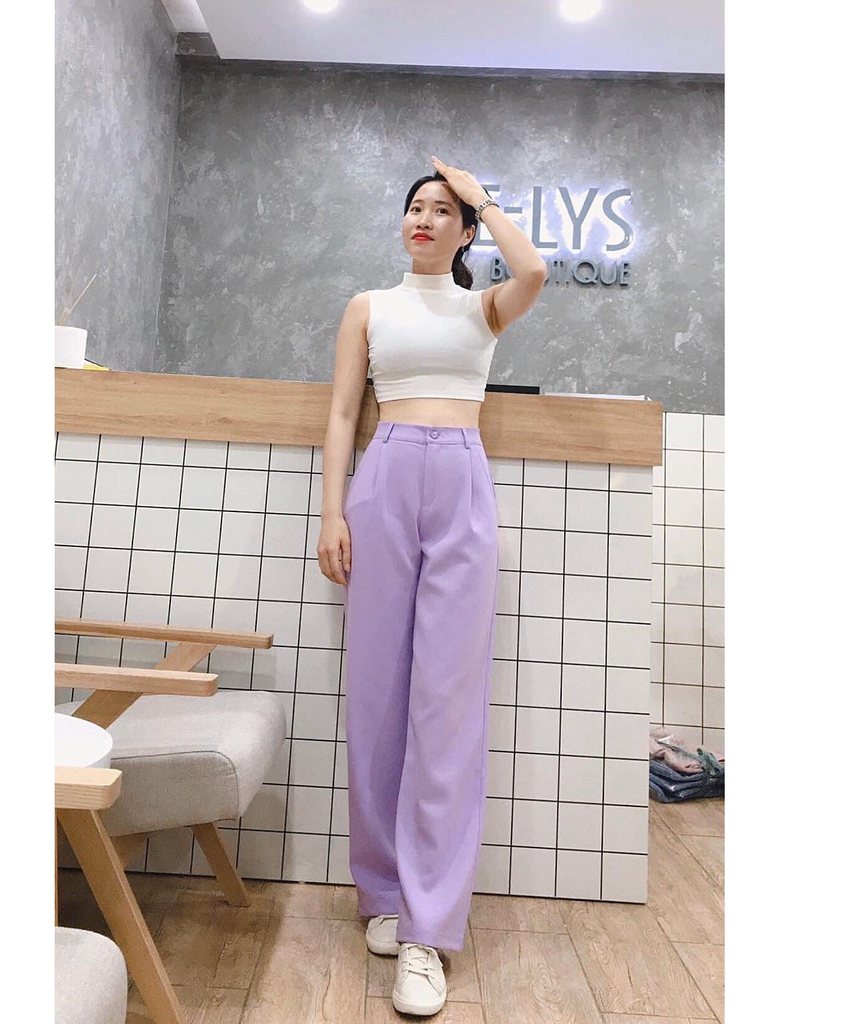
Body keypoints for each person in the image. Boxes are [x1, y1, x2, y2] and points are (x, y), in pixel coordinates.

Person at [317, 156, 546, 1017]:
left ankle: (428, 933)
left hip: (460, 484)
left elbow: (536, 270)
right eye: (415, 206)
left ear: (465, 231)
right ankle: (382, 892)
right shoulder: (368, 307)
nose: (424, 217)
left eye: (443, 210)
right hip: (384, 480)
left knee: (446, 708)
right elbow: (344, 413)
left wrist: (481, 192)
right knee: (378, 696)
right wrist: (332, 512)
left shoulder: (484, 307)